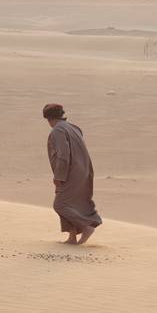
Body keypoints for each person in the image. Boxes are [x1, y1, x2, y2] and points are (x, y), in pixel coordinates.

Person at [43, 103, 102, 245]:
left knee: (60, 204)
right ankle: (72, 237)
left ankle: (86, 226)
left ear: (48, 117)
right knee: (71, 203)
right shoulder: (73, 127)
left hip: (71, 172)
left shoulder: (57, 131)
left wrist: (59, 176)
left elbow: (63, 155)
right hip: (84, 170)